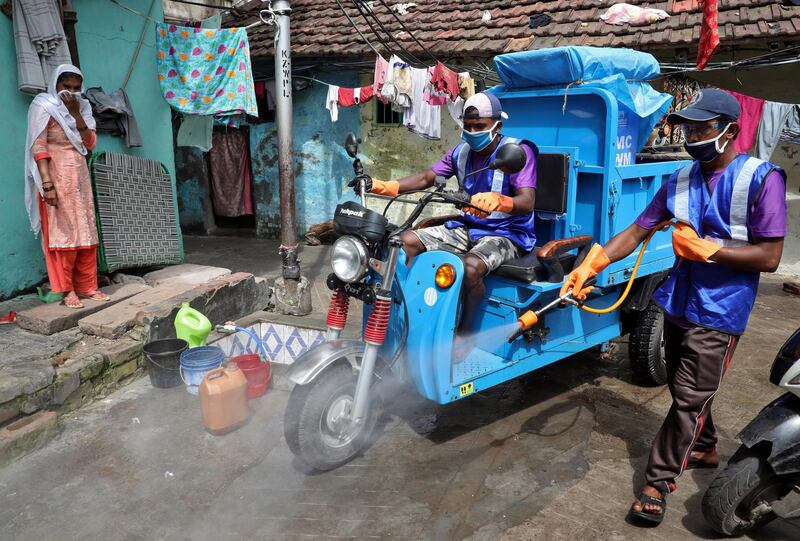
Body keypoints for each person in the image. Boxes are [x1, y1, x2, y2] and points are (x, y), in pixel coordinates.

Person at [560, 89, 787, 525]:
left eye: (702, 127)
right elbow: (636, 231)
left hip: (721, 310)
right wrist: (592, 264)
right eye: (687, 126)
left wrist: (708, 251)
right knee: (694, 390)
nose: (690, 135)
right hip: (679, 300)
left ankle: (657, 482)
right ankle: (703, 447)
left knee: (687, 398)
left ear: (730, 131)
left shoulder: (762, 179)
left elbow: (770, 257)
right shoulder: (680, 179)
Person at [354, 92, 538, 355]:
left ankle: (465, 333)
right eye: (469, 125)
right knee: (403, 242)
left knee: (471, 267)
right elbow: (426, 178)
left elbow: (527, 201)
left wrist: (500, 200)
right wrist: (382, 185)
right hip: (468, 226)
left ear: (498, 126)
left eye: (480, 126)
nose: (473, 131)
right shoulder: (461, 152)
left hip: (508, 233)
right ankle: (403, 313)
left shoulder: (518, 152)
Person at [24, 64, 110, 309]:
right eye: (66, 87)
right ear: (55, 86)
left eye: (76, 88)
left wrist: (76, 113)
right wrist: (47, 185)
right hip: (55, 176)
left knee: (86, 231)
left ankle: (88, 286)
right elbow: (38, 148)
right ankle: (67, 289)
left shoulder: (82, 108)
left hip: (79, 176)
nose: (71, 93)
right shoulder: (44, 107)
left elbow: (90, 142)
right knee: (63, 235)